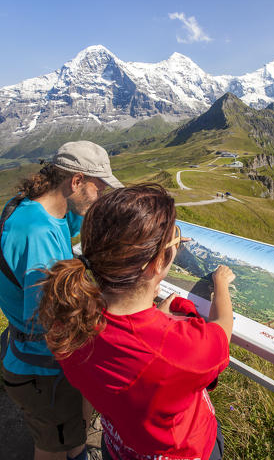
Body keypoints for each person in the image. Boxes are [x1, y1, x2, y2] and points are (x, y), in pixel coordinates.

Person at [38, 184, 235, 460]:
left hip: (119, 447)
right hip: (184, 450)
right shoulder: (178, 350)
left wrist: (158, 320)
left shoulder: (70, 321)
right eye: (174, 239)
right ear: (156, 262)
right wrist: (221, 284)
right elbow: (222, 329)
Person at [0, 140, 123, 460]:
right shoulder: (37, 233)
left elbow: (77, 220)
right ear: (77, 180)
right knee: (56, 447)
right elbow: (48, 320)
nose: (101, 196)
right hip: (42, 367)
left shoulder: (30, 205)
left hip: (32, 356)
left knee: (70, 436)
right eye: (98, 188)